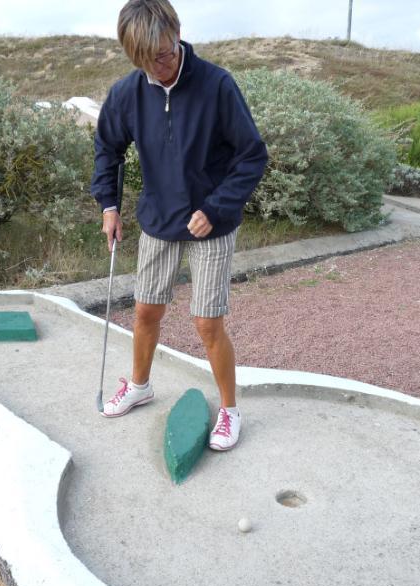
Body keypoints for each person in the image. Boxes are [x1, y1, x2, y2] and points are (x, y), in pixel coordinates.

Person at [90, 0, 267, 451]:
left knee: (207, 323)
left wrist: (217, 208)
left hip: (211, 224)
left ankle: (230, 410)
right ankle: (140, 386)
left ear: (177, 32)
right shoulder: (128, 93)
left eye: (164, 55)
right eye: (147, 60)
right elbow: (108, 148)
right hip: (158, 221)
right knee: (146, 312)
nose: (159, 67)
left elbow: (251, 155)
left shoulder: (217, 85)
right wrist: (109, 206)